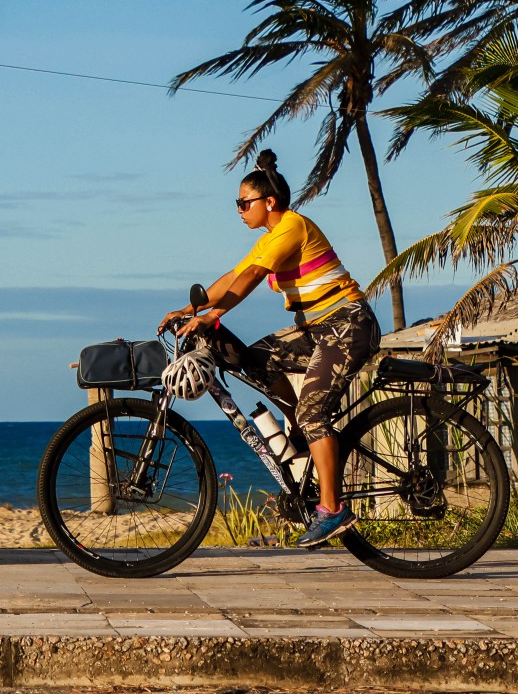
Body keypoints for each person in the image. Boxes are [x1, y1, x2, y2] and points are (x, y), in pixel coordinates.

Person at [160, 149, 380, 549]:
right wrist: (192, 308)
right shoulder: (272, 238)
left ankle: (333, 510)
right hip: (316, 329)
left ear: (269, 202)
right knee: (254, 361)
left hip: (348, 325)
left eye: (244, 203)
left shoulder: (292, 227)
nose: (239, 210)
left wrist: (213, 316)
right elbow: (235, 275)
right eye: (238, 204)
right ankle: (303, 430)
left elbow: (250, 279)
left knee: (315, 412)